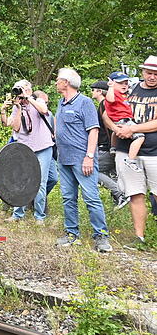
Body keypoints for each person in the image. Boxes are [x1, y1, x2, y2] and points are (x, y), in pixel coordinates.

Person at [54, 67, 111, 252]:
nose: (56, 82)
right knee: (68, 198)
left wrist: (89, 156)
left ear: (66, 82)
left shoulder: (85, 103)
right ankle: (72, 234)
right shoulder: (61, 103)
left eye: (58, 79)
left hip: (82, 159)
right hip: (64, 159)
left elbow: (93, 130)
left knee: (91, 198)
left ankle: (101, 236)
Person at [113, 56, 157, 248]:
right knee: (135, 194)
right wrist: (116, 128)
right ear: (142, 72)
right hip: (127, 150)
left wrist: (133, 129)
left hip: (154, 151)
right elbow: (109, 110)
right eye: (149, 72)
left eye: (156, 74)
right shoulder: (130, 89)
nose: (152, 77)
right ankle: (139, 237)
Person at [0, 80, 55, 223]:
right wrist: (15, 108)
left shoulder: (38, 100)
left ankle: (39, 216)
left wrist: (29, 98)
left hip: (43, 147)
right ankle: (18, 214)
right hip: (24, 148)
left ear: (29, 90)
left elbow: (44, 110)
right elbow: (16, 127)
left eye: (22, 89)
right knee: (22, 180)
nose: (20, 92)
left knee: (41, 182)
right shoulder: (18, 106)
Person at [90, 80, 130, 209]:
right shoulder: (104, 105)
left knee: (94, 171)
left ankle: (120, 194)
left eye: (93, 89)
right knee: (112, 172)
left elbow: (110, 127)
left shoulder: (104, 105)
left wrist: (111, 146)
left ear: (99, 91)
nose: (91, 92)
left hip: (108, 146)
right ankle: (120, 197)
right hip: (111, 146)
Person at [105, 71, 146, 172]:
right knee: (140, 137)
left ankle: (113, 148)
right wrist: (110, 87)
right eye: (120, 83)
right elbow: (109, 99)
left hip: (120, 120)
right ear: (112, 83)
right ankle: (131, 159)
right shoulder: (113, 93)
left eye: (126, 83)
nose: (124, 85)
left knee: (115, 131)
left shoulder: (123, 94)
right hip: (122, 120)